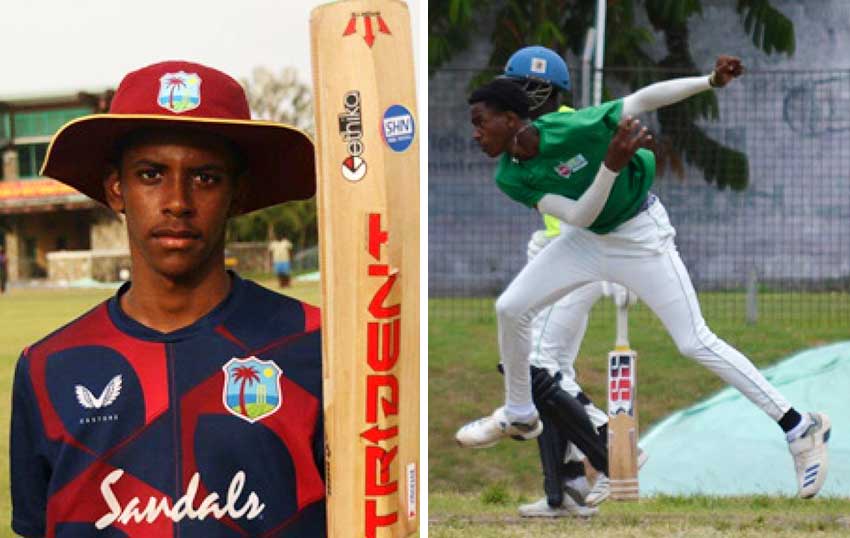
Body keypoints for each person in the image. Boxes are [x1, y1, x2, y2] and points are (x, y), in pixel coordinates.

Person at [456, 55, 831, 500]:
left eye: (481, 123)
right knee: (510, 307)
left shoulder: (570, 128)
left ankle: (799, 426)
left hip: (640, 236)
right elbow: (579, 214)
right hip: (586, 237)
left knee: (694, 340)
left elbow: (641, 99)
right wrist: (610, 166)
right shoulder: (509, 177)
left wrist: (708, 81)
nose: (475, 134)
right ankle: (520, 412)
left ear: (511, 119)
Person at [10, 61, 325, 537]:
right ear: (117, 189)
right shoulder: (46, 366)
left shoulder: (320, 347)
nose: (177, 200)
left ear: (238, 194)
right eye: (151, 174)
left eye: (205, 178)